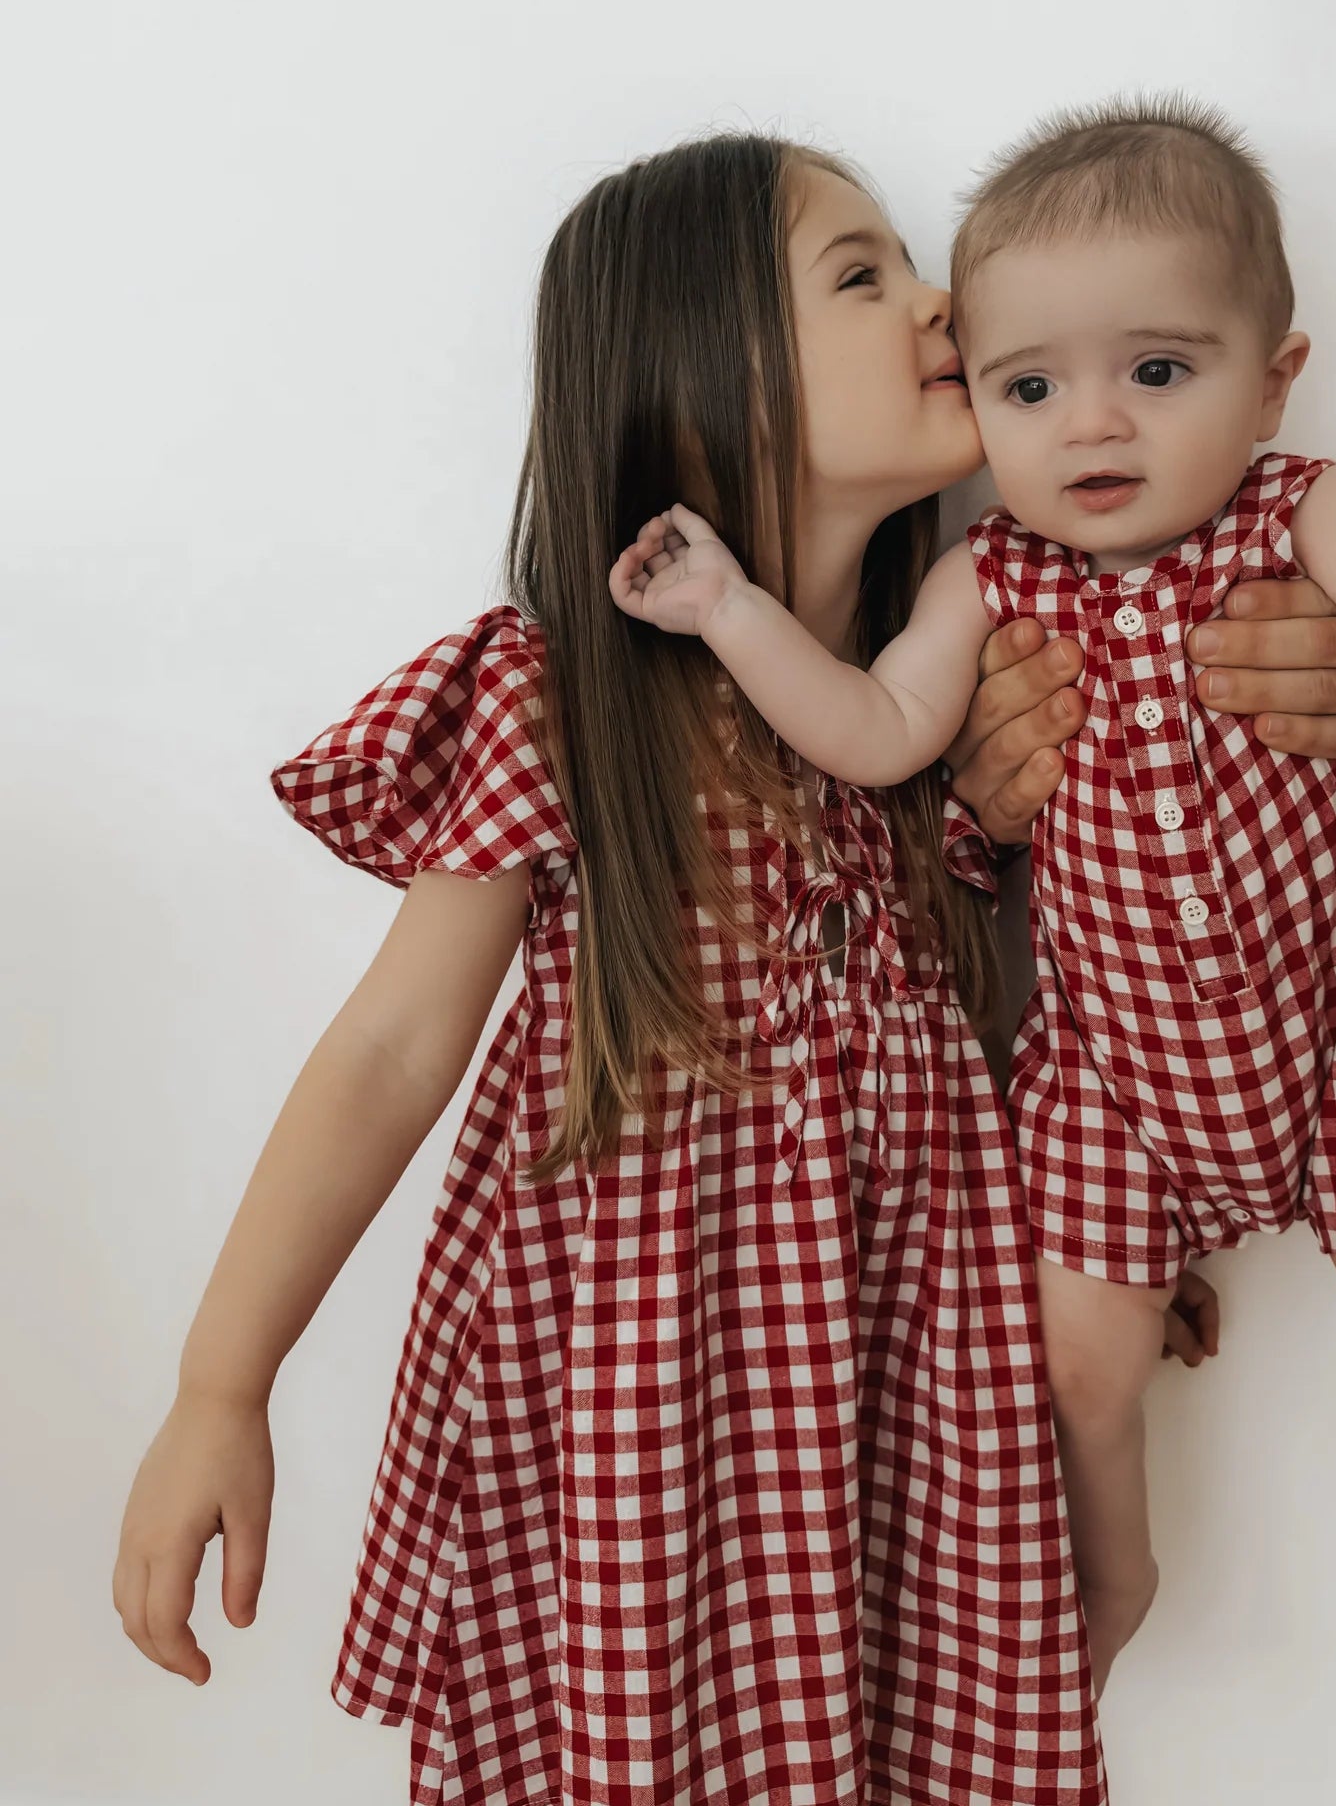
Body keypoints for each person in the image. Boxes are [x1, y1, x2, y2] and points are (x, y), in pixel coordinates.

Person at [119, 132, 1151, 1806]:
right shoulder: (564, 702)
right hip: (637, 1423)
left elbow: (1081, 1015)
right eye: (862, 271)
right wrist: (217, 1387)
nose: (944, 301)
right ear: (697, 384)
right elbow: (390, 1049)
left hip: (903, 1421)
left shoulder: (943, 719)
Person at [609, 98, 1336, 1787]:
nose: (1091, 422)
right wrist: (731, 610)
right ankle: (1105, 1578)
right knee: (1074, 1362)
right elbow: (884, 733)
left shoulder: (1304, 511)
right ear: (985, 409)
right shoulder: (993, 574)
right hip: (1109, 1079)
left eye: (1159, 374)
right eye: (1031, 388)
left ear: (1275, 376)